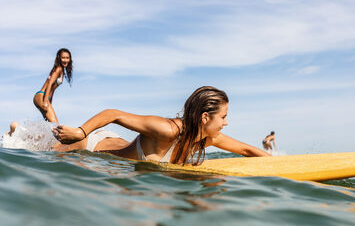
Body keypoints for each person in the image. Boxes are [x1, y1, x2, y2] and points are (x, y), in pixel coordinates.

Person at [54, 86, 271, 165]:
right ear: (205, 118)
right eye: (223, 116)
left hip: (117, 145)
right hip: (91, 145)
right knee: (38, 146)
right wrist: (79, 132)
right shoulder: (168, 130)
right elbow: (114, 114)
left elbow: (247, 150)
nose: (226, 122)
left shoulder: (207, 138)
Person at [33, 48, 73, 123]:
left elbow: (53, 89)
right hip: (42, 96)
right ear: (59, 58)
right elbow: (50, 84)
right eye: (63, 58)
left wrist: (49, 101)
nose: (65, 60)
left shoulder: (62, 71)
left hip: (45, 97)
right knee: (55, 125)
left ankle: (27, 133)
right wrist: (45, 101)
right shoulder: (58, 69)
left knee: (50, 125)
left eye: (67, 58)